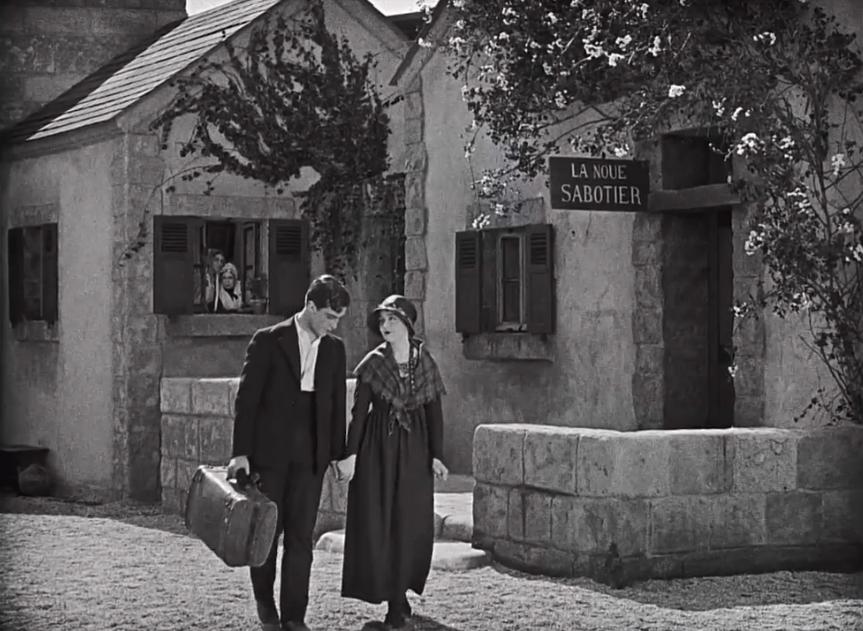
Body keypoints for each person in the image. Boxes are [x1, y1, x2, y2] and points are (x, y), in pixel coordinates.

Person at [227, 274, 350, 631]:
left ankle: (295, 617)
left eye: (338, 319)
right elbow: (247, 400)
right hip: (270, 454)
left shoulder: (335, 349)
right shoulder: (268, 340)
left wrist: (339, 455)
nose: (333, 324)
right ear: (310, 307)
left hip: (311, 457)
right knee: (266, 534)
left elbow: (336, 404)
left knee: (301, 539)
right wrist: (241, 453)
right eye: (329, 316)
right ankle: (267, 607)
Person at [337, 295, 448, 630]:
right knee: (380, 519)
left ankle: (402, 592)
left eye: (392, 321)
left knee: (410, 520)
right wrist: (351, 455)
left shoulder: (423, 361)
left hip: (414, 448)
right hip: (378, 449)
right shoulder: (373, 363)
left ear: (407, 326)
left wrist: (438, 455)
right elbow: (359, 414)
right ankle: (393, 601)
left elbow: (434, 412)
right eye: (383, 321)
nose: (385, 327)